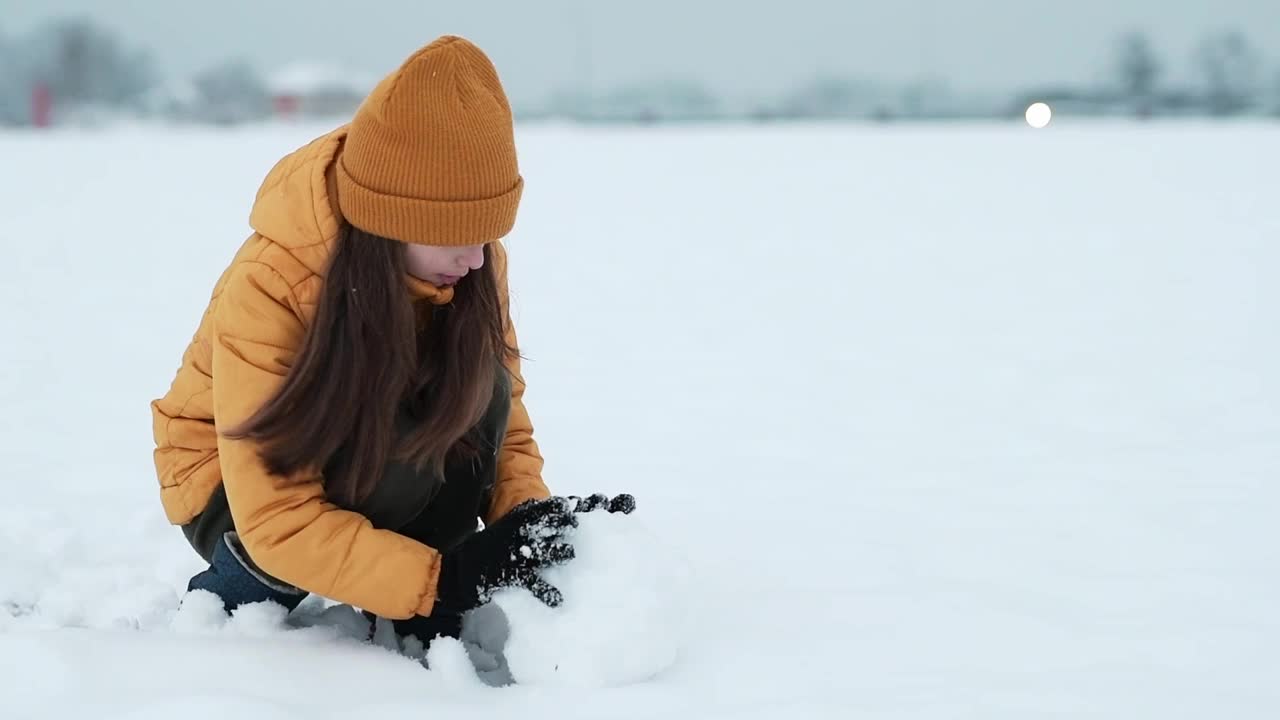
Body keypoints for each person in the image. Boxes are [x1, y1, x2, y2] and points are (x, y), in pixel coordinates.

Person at [148, 35, 634, 647]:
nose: (476, 258)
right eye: (452, 233)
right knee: (403, 466)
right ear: (390, 220)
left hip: (369, 447)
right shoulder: (274, 281)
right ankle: (247, 588)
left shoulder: (472, 261)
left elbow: (503, 421)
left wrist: (527, 521)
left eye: (487, 233)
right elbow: (276, 511)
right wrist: (443, 582)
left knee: (476, 391)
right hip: (232, 481)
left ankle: (399, 581)